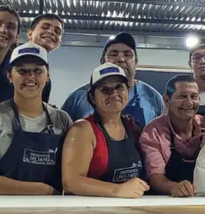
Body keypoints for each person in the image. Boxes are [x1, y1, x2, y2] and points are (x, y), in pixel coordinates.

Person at [0, 43, 71, 195]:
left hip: (52, 206)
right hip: (5, 206)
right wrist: (44, 190)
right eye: (22, 71)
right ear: (9, 76)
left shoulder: (62, 120)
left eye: (38, 70)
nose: (30, 77)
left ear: (47, 76)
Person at [61, 63, 149, 198]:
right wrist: (117, 190)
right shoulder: (83, 129)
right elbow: (71, 182)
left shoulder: (132, 127)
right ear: (93, 97)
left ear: (127, 91)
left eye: (119, 87)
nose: (114, 93)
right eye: (105, 89)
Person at [61, 33, 164, 127]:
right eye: (113, 55)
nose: (121, 59)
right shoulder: (77, 98)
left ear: (136, 62)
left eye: (127, 55)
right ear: (102, 61)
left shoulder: (153, 98)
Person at [139, 75, 205, 197]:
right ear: (166, 100)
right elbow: (155, 177)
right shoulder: (153, 132)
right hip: (167, 200)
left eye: (193, 96)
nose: (189, 103)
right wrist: (175, 187)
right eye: (182, 96)